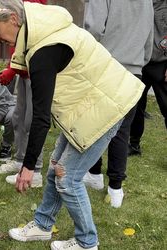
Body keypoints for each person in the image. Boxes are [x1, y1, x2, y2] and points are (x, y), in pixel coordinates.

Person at [0, 1, 144, 249]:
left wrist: (28, 167)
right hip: (90, 105)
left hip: (109, 107)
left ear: (14, 19)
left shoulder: (44, 50)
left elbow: (40, 117)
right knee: (55, 169)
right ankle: (42, 225)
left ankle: (87, 242)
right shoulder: (42, 31)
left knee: (67, 178)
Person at [82, 0, 154, 208]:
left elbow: (93, 27)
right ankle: (115, 188)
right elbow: (149, 37)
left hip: (106, 65)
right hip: (134, 70)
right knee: (122, 130)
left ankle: (95, 174)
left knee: (96, 124)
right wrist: (140, 59)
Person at [0, 0, 47, 188]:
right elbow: (18, 45)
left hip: (35, 71)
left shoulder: (32, 5)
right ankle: (20, 161)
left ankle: (36, 171)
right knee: (19, 118)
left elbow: (30, 40)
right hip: (22, 70)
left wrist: (12, 69)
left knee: (32, 121)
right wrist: (12, 69)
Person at [129, 0, 167, 156]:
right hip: (140, 61)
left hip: (162, 63)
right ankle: (134, 144)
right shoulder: (140, 3)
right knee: (136, 105)